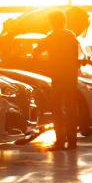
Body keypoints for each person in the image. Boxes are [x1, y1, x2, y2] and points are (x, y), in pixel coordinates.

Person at [35, 9, 81, 151]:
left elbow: (36, 52)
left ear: (51, 23)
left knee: (57, 110)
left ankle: (60, 142)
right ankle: (72, 142)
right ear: (64, 22)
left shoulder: (52, 36)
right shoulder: (71, 36)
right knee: (71, 109)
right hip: (71, 78)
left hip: (58, 77)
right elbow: (76, 56)